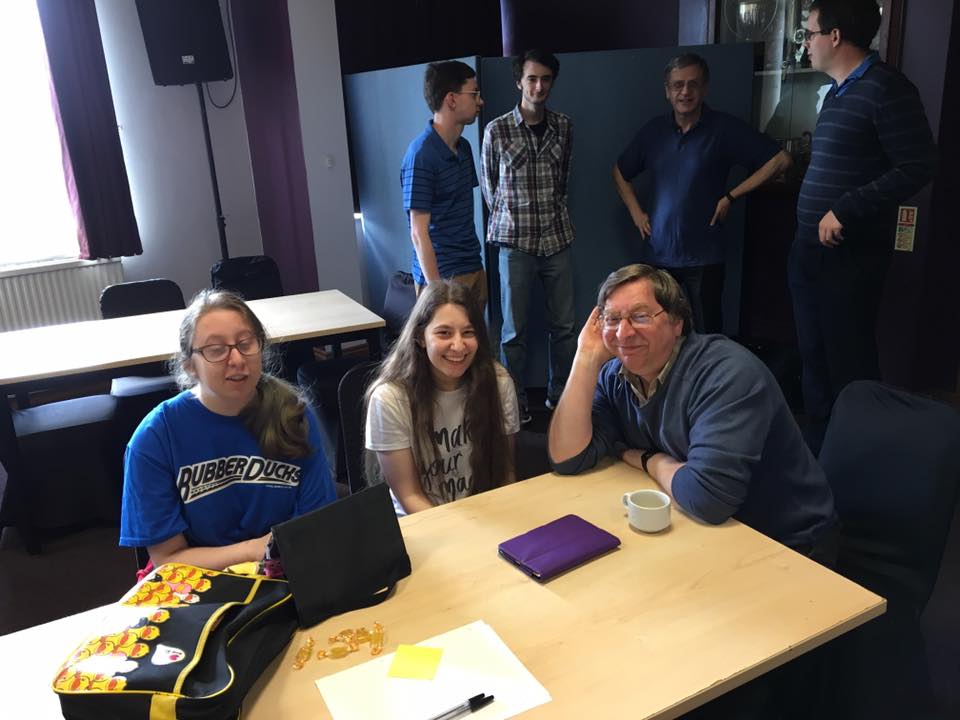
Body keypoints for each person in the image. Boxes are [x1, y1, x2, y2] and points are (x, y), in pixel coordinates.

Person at [549, 264, 836, 556]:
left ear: (677, 322)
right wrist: (585, 357)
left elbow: (707, 498)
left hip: (787, 542)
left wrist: (650, 460)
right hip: (704, 530)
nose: (623, 333)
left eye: (640, 316)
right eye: (612, 319)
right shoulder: (615, 377)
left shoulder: (726, 375)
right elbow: (568, 458)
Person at [790, 0, 937, 451]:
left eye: (809, 33)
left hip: (849, 254)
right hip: (809, 249)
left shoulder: (887, 89)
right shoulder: (836, 93)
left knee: (848, 363)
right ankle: (820, 454)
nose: (806, 44)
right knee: (813, 355)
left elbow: (918, 165)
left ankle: (860, 456)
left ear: (835, 36)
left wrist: (846, 208)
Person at [119, 290, 337, 571]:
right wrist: (252, 550)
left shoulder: (294, 415)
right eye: (216, 349)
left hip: (286, 568)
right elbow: (167, 558)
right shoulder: (155, 437)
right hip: (199, 578)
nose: (236, 359)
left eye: (246, 343)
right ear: (190, 366)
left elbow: (315, 527)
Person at [613, 53, 792, 334]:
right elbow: (620, 172)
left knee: (708, 335)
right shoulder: (653, 132)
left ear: (704, 88)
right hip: (658, 252)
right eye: (678, 85)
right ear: (667, 91)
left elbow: (781, 161)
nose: (685, 92)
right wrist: (637, 213)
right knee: (656, 332)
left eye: (693, 84)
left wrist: (731, 196)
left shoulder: (723, 129)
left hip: (705, 254)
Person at [365, 280, 519, 515]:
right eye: (444, 333)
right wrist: (461, 532)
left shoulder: (499, 383)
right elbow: (409, 496)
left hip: (486, 515)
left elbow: (505, 474)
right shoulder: (389, 399)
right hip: (422, 522)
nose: (458, 345)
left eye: (468, 333)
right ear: (420, 337)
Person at [480, 49, 577, 424]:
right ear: (519, 82)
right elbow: (490, 189)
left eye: (546, 79)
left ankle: (560, 397)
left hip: (556, 238)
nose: (539, 86)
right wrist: (513, 218)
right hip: (515, 243)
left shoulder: (564, 127)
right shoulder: (497, 130)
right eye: (532, 79)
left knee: (564, 328)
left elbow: (563, 180)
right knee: (513, 332)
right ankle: (514, 404)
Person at [401, 60, 487, 306]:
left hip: (472, 266)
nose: (480, 101)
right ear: (452, 99)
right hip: (442, 277)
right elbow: (418, 233)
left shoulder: (464, 148)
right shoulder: (421, 155)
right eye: (474, 94)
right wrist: (437, 290)